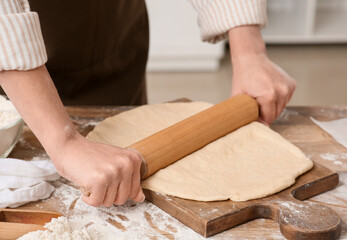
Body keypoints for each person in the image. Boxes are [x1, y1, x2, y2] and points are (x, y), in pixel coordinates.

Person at [0, 0, 296, 207]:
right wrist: (63, 141)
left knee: (121, 160)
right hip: (6, 70)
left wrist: (249, 52)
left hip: (105, 39)